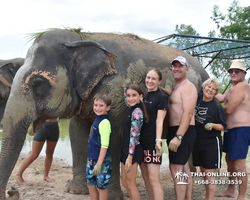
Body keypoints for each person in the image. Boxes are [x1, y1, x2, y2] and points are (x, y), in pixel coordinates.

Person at [215, 59, 250, 200]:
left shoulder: (242, 86)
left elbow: (228, 110)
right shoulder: (232, 88)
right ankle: (231, 190)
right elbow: (222, 98)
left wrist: (213, 109)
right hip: (231, 130)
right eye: (231, 71)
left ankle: (241, 196)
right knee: (229, 159)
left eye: (237, 71)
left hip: (241, 129)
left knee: (239, 163)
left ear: (243, 73)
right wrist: (207, 89)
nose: (233, 73)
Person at [167, 56, 197, 200]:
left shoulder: (188, 87)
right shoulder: (176, 87)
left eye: (180, 66)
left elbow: (188, 112)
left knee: (176, 169)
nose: (177, 68)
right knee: (184, 168)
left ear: (187, 69)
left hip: (183, 131)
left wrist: (179, 136)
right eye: (175, 66)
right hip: (177, 130)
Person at [193, 78, 227, 200]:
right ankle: (208, 196)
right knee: (203, 171)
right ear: (203, 87)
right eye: (209, 87)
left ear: (216, 92)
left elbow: (223, 126)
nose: (210, 90)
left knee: (209, 173)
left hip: (211, 142)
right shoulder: (197, 98)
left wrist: (213, 125)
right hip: (198, 141)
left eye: (214, 89)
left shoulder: (217, 107)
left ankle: (209, 198)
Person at [140, 69, 168, 200]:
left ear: (159, 81)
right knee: (146, 178)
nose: (150, 81)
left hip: (152, 143)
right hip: (141, 143)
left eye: (153, 79)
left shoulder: (161, 97)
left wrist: (158, 141)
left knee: (153, 179)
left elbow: (160, 120)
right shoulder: (144, 96)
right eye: (148, 77)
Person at [121, 83, 148, 200]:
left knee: (130, 183)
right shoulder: (132, 107)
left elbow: (134, 136)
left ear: (140, 96)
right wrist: (124, 89)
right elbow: (127, 101)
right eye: (128, 95)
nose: (130, 98)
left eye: (134, 95)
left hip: (132, 150)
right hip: (125, 148)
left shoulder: (137, 112)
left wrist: (130, 156)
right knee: (124, 182)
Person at [15, 118, 59, 183]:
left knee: (50, 153)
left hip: (54, 127)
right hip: (41, 126)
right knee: (34, 154)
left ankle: (46, 176)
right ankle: (18, 175)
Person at [86, 93, 112, 200]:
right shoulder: (97, 120)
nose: (98, 108)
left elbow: (105, 145)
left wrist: (99, 164)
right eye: (96, 105)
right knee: (90, 184)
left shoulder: (105, 122)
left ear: (108, 108)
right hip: (91, 159)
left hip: (102, 161)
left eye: (101, 106)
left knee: (102, 187)